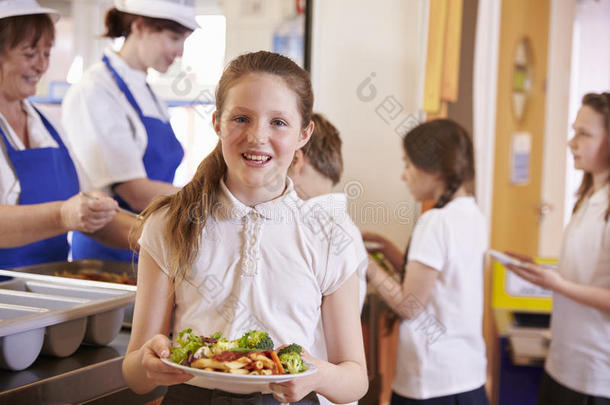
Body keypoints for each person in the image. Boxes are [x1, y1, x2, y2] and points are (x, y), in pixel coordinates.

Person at [121, 51, 368, 405]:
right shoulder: (168, 222)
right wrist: (148, 365)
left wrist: (317, 374)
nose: (257, 136)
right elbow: (134, 374)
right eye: (241, 118)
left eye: (278, 122)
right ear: (217, 122)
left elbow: (355, 379)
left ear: (304, 134)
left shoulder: (329, 234)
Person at [0, 0, 134, 269]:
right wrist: (62, 215)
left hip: (49, 293)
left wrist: (156, 235)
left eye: (46, 53)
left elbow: (88, 211)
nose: (41, 66)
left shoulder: (48, 125)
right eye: (30, 54)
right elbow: (68, 214)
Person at [363, 119, 489, 405]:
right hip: (467, 377)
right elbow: (441, 281)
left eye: (408, 164)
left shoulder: (435, 222)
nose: (404, 176)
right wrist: (389, 250)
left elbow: (410, 306)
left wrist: (363, 262)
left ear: (432, 170)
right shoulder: (471, 214)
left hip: (432, 383)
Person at [61, 0, 198, 262]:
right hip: (111, 252)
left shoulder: (148, 93)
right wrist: (207, 201)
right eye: (173, 38)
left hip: (154, 245)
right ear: (139, 26)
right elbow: (134, 192)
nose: (180, 52)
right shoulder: (96, 90)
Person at [506, 92, 610, 405]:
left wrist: (557, 284)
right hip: (563, 362)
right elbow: (587, 275)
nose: (571, 143)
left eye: (584, 134)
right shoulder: (589, 197)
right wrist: (543, 270)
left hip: (594, 374)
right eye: (573, 131)